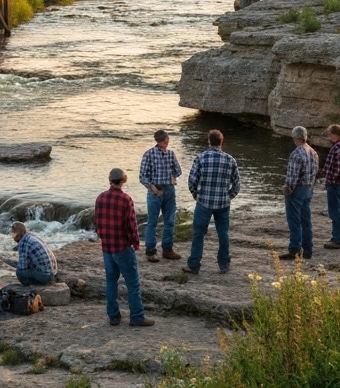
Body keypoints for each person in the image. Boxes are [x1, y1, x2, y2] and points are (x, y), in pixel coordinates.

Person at [94, 168, 151, 327]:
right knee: (133, 284)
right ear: (123, 180)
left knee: (111, 281)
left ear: (110, 180)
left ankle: (113, 317)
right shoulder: (125, 200)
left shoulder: (100, 198)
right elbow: (131, 226)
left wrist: (102, 237)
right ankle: (137, 317)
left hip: (107, 247)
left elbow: (97, 222)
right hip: (122, 247)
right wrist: (135, 242)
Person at [183, 130, 240, 275]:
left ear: (209, 141)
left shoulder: (201, 158)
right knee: (223, 233)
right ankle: (224, 265)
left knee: (198, 234)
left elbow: (191, 181)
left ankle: (194, 265)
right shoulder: (230, 160)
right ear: (221, 142)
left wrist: (196, 194)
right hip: (223, 203)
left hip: (204, 202)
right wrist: (228, 197)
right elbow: (237, 185)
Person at [138, 129, 182, 263]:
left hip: (169, 190)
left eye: (167, 141)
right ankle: (150, 252)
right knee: (152, 222)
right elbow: (142, 176)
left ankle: (167, 250)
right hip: (155, 191)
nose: (167, 143)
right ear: (159, 141)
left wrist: (173, 178)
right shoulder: (149, 154)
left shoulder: (170, 154)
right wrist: (152, 187)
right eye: (165, 141)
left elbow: (178, 170)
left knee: (170, 221)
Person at [279, 126, 318, 260]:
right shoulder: (313, 152)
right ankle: (308, 249)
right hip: (309, 188)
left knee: (294, 221)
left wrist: (287, 188)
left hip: (297, 190)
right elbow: (315, 172)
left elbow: (293, 176)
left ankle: (294, 249)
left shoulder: (296, 153)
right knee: (306, 220)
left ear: (296, 138)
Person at [318, 124, 340, 249]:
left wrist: (326, 180)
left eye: (330, 134)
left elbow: (336, 171)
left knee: (335, 212)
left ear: (336, 135)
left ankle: (338, 239)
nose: (329, 137)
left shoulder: (336, 149)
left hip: (336, 185)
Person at [7, 222, 57, 286]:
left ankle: (34, 285)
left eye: (12, 233)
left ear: (16, 233)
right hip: (53, 271)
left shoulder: (23, 243)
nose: (12, 236)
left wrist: (9, 262)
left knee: (19, 272)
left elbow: (23, 267)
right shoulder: (30, 236)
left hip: (45, 276)